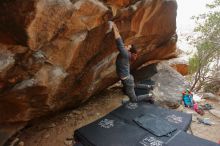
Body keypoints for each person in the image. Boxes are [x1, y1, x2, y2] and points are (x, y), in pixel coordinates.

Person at [108, 21, 154, 103]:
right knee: (133, 85)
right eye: (126, 45)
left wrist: (114, 27)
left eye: (128, 45)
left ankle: (149, 96)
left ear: (129, 49)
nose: (126, 45)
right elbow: (121, 42)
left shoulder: (125, 53)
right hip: (128, 78)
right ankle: (149, 86)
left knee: (134, 100)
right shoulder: (127, 54)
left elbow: (119, 41)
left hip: (127, 80)